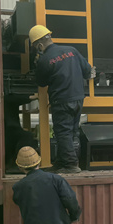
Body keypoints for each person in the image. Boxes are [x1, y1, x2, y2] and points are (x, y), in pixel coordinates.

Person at [29, 24, 93, 174]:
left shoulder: (45, 60)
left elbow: (41, 83)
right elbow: (87, 71)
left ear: (39, 45)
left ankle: (70, 164)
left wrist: (37, 64)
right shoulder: (72, 51)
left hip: (61, 100)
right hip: (78, 98)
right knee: (72, 131)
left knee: (63, 132)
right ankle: (61, 162)